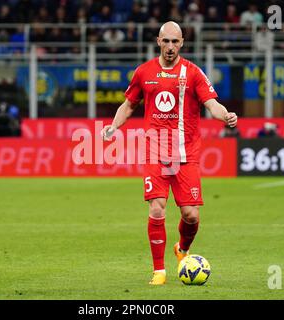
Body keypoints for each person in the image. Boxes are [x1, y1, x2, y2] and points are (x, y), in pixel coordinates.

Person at [100, 21, 238, 285]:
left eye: (176, 42)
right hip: (155, 152)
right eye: (166, 41)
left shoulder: (193, 72)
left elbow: (212, 104)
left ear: (182, 43)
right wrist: (113, 127)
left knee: (191, 216)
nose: (171, 46)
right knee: (157, 208)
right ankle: (159, 271)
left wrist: (226, 116)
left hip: (186, 154)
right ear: (158, 41)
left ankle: (182, 249)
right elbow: (128, 106)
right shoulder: (143, 72)